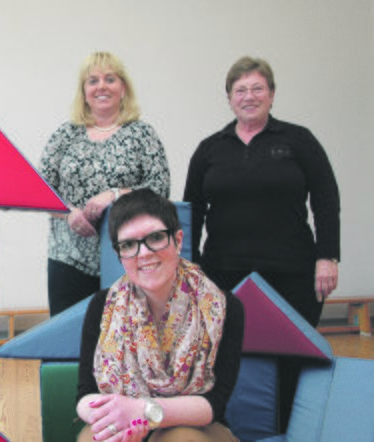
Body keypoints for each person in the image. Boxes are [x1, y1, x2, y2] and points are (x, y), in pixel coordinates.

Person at [183, 55, 340, 432]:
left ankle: (290, 431)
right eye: (241, 90)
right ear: (229, 98)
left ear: (271, 94)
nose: (249, 96)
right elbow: (190, 212)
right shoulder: (210, 149)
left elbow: (326, 199)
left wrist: (328, 257)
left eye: (257, 88)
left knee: (290, 362)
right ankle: (226, 432)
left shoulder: (298, 140)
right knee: (225, 359)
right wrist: (193, 267)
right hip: (225, 274)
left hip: (294, 274)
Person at [76, 188, 244, 442]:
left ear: (178, 239)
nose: (143, 253)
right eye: (129, 244)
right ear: (119, 254)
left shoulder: (222, 306)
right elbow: (85, 394)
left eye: (155, 238)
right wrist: (118, 417)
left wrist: (145, 411)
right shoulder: (102, 305)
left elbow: (214, 403)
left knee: (181, 439)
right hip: (123, 422)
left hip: (198, 427)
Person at [40, 51, 171, 317]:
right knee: (70, 347)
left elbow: (160, 189)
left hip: (130, 258)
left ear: (123, 88)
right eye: (93, 81)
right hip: (69, 258)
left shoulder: (141, 134)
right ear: (84, 92)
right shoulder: (65, 134)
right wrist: (68, 213)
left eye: (110, 79)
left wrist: (114, 194)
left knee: (126, 345)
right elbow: (40, 190)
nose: (101, 86)